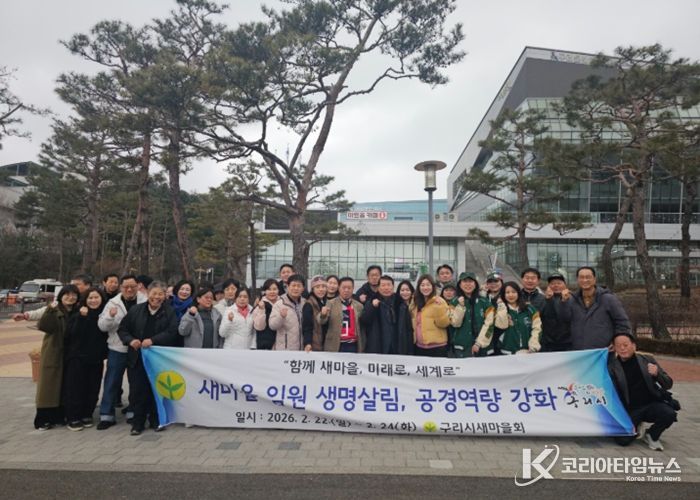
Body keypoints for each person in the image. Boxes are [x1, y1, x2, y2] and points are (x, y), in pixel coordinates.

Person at [118, 281, 178, 435]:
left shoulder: (169, 312)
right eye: (154, 293)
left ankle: (155, 420)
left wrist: (153, 340)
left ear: (165, 296)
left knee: (156, 389)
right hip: (137, 358)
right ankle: (138, 423)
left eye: (160, 294)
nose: (156, 297)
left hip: (158, 359)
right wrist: (131, 340)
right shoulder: (136, 310)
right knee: (138, 390)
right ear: (147, 293)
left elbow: (172, 332)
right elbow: (123, 329)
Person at [608, 332, 677, 451]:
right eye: (619, 346)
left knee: (669, 414)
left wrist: (657, 374)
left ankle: (651, 435)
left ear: (634, 346)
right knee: (622, 441)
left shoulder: (647, 360)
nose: (623, 348)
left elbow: (668, 384)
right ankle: (636, 425)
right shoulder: (612, 367)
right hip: (631, 409)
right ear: (614, 348)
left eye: (626, 345)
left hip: (651, 404)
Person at [96, 275, 145, 430]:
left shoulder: (144, 301)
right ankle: (106, 415)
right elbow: (102, 326)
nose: (129, 289)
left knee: (135, 382)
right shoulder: (113, 302)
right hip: (117, 348)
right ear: (121, 287)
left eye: (132, 286)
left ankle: (133, 411)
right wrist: (110, 316)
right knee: (112, 382)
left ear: (138, 286)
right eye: (126, 287)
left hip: (137, 348)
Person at [34, 284, 80, 430]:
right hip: (53, 353)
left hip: (70, 355)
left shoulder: (77, 311)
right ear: (61, 296)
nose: (70, 297)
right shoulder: (54, 310)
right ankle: (42, 419)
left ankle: (59, 416)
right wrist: (49, 310)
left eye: (74, 295)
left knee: (63, 386)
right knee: (48, 387)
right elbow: (44, 326)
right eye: (67, 294)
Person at [64, 287, 108, 431]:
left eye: (96, 297)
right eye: (90, 298)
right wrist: (82, 318)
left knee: (93, 387)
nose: (93, 300)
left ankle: (87, 414)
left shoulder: (104, 315)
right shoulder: (78, 314)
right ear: (85, 300)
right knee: (76, 388)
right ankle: (73, 417)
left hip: (96, 358)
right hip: (77, 357)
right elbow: (72, 334)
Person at [570, 266, 631, 350]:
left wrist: (617, 341)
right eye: (581, 277)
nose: (585, 280)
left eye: (588, 277)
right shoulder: (572, 300)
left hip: (604, 351)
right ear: (577, 280)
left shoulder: (608, 299)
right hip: (579, 352)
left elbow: (622, 322)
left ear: (594, 279)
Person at [474, 281, 541, 355]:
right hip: (506, 353)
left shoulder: (529, 309)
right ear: (503, 295)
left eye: (514, 292)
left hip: (528, 352)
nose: (511, 295)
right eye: (507, 292)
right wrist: (501, 305)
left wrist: (533, 345)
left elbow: (537, 328)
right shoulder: (499, 309)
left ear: (518, 293)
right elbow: (501, 325)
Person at [449, 272, 496, 358]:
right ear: (459, 284)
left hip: (483, 348)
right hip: (461, 348)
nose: (468, 284)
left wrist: (479, 343)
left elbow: (490, 325)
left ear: (475, 284)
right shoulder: (454, 302)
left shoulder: (485, 302)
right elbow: (455, 323)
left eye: (470, 281)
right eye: (465, 281)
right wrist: (460, 306)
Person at [321, 277, 365, 353]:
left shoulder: (359, 306)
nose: (346, 290)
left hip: (353, 344)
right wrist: (323, 315)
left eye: (349, 288)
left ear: (353, 289)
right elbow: (322, 321)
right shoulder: (331, 303)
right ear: (339, 288)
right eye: (344, 288)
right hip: (335, 344)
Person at [410, 275, 450, 357]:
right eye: (422, 285)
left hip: (437, 347)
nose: (425, 287)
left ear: (432, 286)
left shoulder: (440, 301)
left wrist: (439, 308)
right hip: (419, 346)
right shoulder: (416, 302)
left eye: (428, 285)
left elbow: (444, 323)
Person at [361, 275, 398, 354]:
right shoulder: (371, 301)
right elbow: (364, 320)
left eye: (389, 285)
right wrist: (372, 307)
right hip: (378, 345)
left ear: (393, 287)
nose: (386, 288)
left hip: (396, 345)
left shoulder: (399, 302)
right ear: (378, 288)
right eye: (383, 285)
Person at [269, 274, 306, 351]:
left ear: (303, 288)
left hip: (302, 350)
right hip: (284, 350)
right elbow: (272, 326)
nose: (296, 288)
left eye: (299, 286)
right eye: (293, 285)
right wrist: (281, 317)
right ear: (288, 287)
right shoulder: (280, 303)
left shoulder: (305, 303)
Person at [540, 273, 573, 352]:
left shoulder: (573, 299)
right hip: (548, 344)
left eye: (559, 283)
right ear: (548, 286)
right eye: (553, 283)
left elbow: (568, 317)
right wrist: (549, 300)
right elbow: (542, 317)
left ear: (565, 285)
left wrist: (565, 301)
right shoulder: (542, 299)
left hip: (568, 343)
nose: (556, 285)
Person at [302, 275, 329, 352]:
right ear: (312, 289)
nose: (321, 289)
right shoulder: (309, 304)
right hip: (315, 345)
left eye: (323, 286)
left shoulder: (327, 302)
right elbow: (307, 326)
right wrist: (308, 343)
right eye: (317, 287)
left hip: (326, 344)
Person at [253, 279, 280, 350]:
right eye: (269, 289)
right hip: (265, 345)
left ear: (278, 290)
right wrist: (262, 310)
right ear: (264, 291)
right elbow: (259, 327)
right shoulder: (260, 304)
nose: (272, 292)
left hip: (281, 344)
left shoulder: (283, 303)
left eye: (274, 289)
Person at [394, 280, 415, 355]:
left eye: (407, 290)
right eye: (402, 290)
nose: (405, 292)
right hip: (403, 343)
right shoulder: (396, 306)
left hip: (417, 342)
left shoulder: (417, 305)